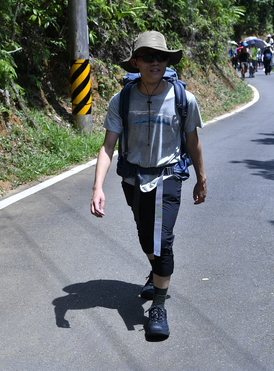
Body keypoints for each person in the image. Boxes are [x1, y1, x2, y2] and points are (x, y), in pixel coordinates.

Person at [90, 31, 207, 341]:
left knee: (162, 239)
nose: (156, 62)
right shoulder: (123, 99)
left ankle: (157, 307)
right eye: (148, 57)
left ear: (167, 61)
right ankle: (156, 272)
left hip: (168, 176)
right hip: (134, 178)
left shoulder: (183, 98)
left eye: (161, 57)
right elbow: (108, 146)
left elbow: (193, 142)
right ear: (135, 62)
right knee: (147, 239)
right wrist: (97, 187)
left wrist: (201, 178)